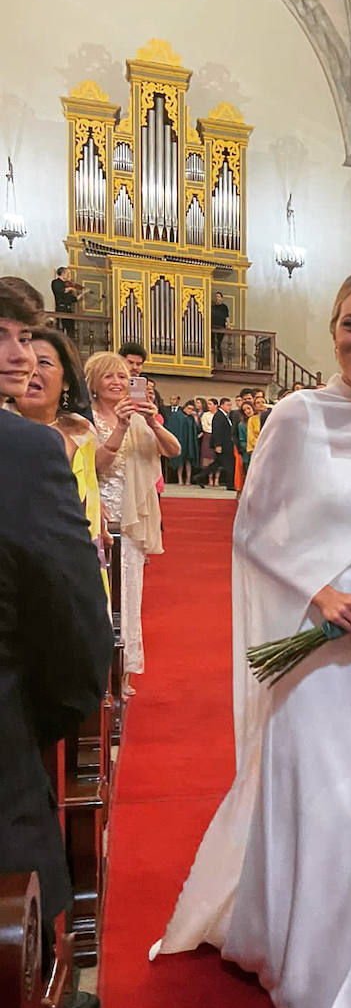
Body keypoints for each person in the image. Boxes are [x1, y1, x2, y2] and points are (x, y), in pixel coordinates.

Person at [153, 270, 351, 1008]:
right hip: (317, 646)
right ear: (333, 329)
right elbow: (253, 524)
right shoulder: (295, 415)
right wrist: (318, 592)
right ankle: (298, 960)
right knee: (319, 814)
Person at [0, 280, 113, 942]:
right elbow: (74, 618)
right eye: (6, 335)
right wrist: (44, 720)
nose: (22, 355)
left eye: (27, 338)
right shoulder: (22, 449)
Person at [89, 351, 179, 696]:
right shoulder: (86, 420)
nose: (117, 382)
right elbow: (97, 464)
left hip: (133, 521)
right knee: (101, 597)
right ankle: (99, 673)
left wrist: (153, 421)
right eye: (108, 376)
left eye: (122, 377)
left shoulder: (141, 417)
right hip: (102, 517)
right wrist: (122, 426)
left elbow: (172, 450)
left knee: (129, 597)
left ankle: (122, 673)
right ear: (94, 384)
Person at [17, 327, 108, 595]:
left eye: (43, 362)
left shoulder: (81, 431)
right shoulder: (7, 430)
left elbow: (87, 491)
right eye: (26, 361)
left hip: (73, 563)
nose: (32, 370)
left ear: (67, 380)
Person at [50, 266, 84, 336]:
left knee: (71, 331)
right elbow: (60, 291)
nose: (69, 275)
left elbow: (74, 299)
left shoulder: (67, 284)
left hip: (69, 310)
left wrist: (83, 293)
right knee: (60, 331)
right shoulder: (55, 282)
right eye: (68, 273)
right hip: (61, 309)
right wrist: (71, 288)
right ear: (62, 273)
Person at [211, 291, 230, 365]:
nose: (217, 298)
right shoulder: (213, 307)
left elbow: (227, 317)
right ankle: (213, 361)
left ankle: (219, 361)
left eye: (218, 297)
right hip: (213, 327)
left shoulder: (224, 307)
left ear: (221, 298)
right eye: (216, 297)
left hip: (221, 327)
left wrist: (228, 325)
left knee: (218, 343)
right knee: (212, 344)